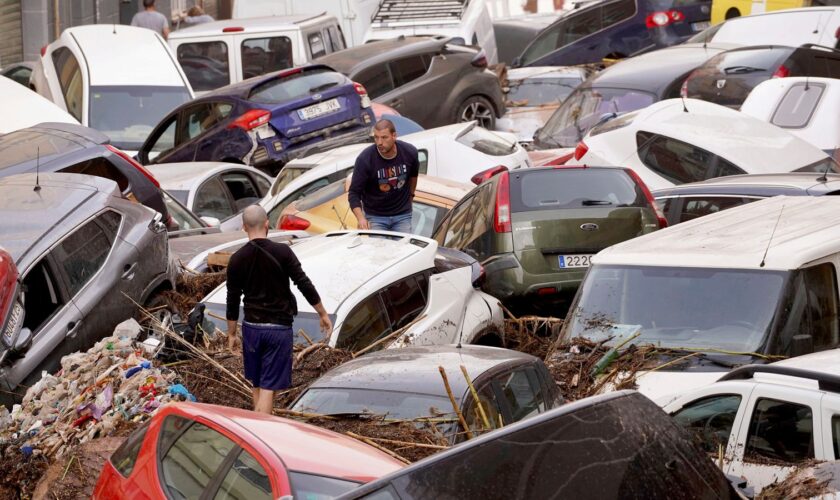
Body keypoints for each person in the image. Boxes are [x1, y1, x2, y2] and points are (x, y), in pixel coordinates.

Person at [226, 205, 332, 414]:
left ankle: (258, 424)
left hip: (251, 328)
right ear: (267, 224)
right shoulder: (282, 252)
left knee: (257, 382)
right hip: (278, 329)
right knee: (268, 387)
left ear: (244, 227)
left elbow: (232, 298)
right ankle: (260, 431)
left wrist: (231, 334)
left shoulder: (236, 259)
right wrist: (321, 312)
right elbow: (303, 283)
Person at [349, 119, 420, 233]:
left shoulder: (409, 152)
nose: (379, 142)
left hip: (402, 214)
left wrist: (411, 196)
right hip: (376, 217)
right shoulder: (365, 159)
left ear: (394, 136)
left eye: (384, 137)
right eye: (376, 137)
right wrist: (361, 218)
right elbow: (353, 193)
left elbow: (413, 176)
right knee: (381, 249)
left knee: (403, 249)